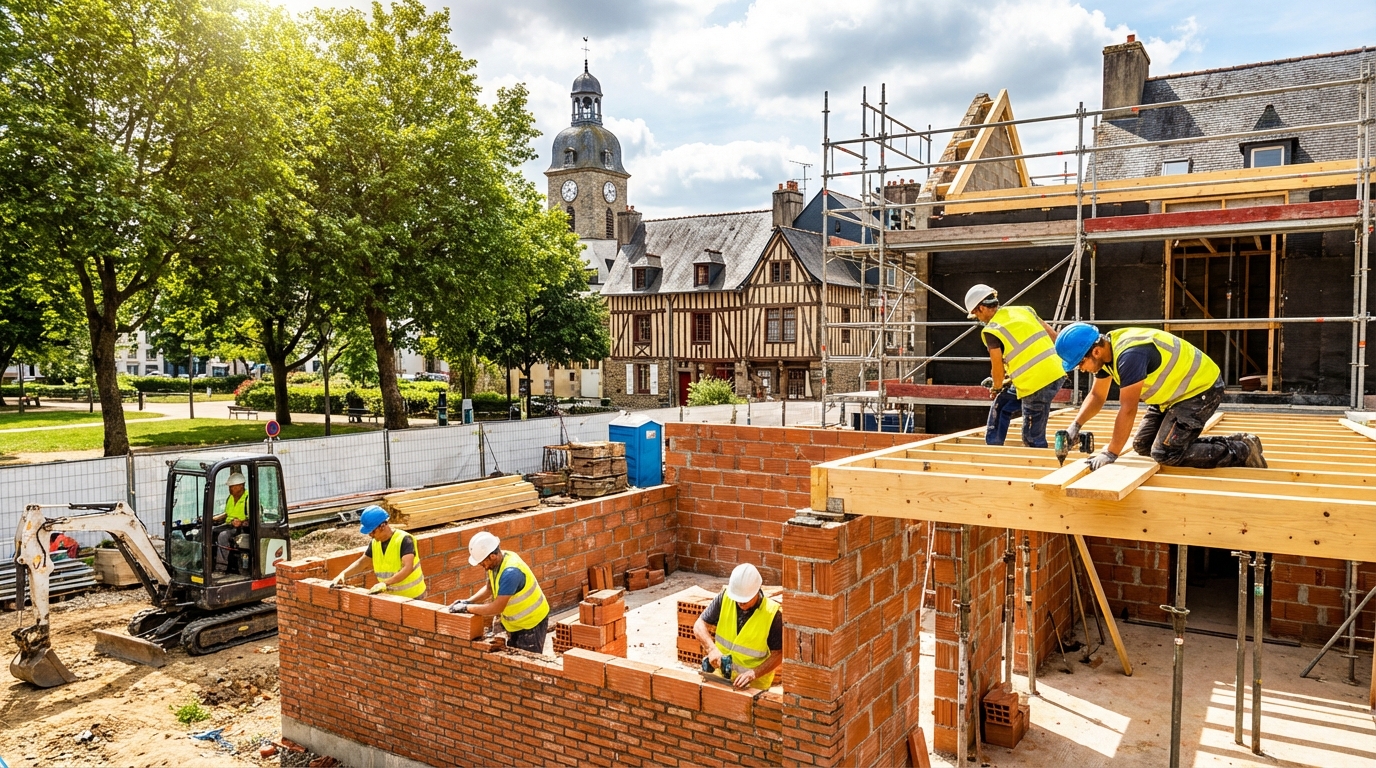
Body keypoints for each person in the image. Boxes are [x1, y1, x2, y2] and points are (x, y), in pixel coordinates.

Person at [1054, 323, 1266, 470]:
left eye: (1080, 363)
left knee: (1165, 454)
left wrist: (1111, 452)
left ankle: (1243, 450)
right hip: (1169, 397)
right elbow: (1097, 396)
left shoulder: (1130, 356)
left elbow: (1128, 408)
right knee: (1143, 446)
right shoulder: (1105, 353)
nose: (1080, 369)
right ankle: (1232, 442)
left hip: (1199, 390)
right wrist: (1076, 426)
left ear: (1096, 352)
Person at [964, 284, 1065, 448]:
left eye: (976, 314)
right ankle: (994, 446)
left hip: (1036, 384)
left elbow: (998, 369)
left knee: (1032, 438)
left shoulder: (992, 331)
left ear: (981, 308)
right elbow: (1055, 337)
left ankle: (1040, 466)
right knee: (1003, 404)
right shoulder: (1025, 310)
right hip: (1055, 374)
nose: (977, 318)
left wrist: (996, 387)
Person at [448, 532, 549, 653]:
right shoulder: (496, 564)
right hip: (515, 624)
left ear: (492, 556)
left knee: (528, 665)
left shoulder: (511, 573)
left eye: (482, 562)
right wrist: (468, 601)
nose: (482, 566)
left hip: (531, 623)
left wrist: (467, 608)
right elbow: (489, 589)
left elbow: (497, 608)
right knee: (515, 659)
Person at [692, 563, 783, 690]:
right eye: (738, 599)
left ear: (757, 590)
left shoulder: (772, 614)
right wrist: (711, 649)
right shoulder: (725, 598)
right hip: (721, 678)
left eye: (745, 600)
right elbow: (699, 625)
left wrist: (753, 673)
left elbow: (778, 654)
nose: (740, 603)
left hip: (753, 687)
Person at [329, 506, 428, 599]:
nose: (370, 535)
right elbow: (361, 563)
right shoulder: (375, 543)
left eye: (372, 531)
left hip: (413, 596)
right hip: (391, 597)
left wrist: (385, 583)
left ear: (382, 526)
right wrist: (343, 574)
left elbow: (408, 568)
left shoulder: (404, 540)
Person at [213, 471, 249, 572]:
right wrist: (214, 518)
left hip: (241, 528)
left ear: (241, 486)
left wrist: (242, 522)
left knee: (223, 535)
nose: (230, 489)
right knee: (210, 531)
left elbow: (254, 518)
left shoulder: (248, 498)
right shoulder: (230, 498)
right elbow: (227, 513)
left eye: (232, 486)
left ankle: (221, 567)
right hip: (229, 524)